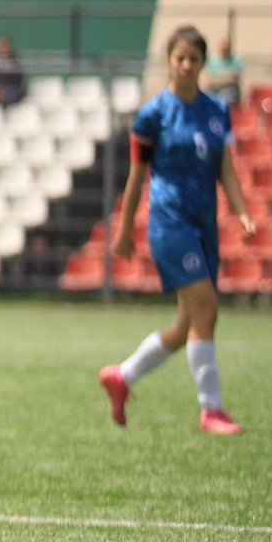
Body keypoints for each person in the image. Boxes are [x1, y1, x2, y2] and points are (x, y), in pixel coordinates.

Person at [99, 26, 256, 436]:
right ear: (168, 60)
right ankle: (212, 410)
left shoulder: (217, 111)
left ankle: (123, 376)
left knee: (189, 323)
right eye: (179, 58)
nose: (187, 65)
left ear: (204, 64)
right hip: (169, 222)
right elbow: (137, 176)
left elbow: (226, 169)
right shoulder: (153, 114)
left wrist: (241, 213)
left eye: (194, 59)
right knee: (207, 309)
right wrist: (125, 229)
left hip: (203, 224)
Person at [203, 36, 244, 108]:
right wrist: (225, 79)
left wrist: (216, 80)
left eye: (227, 44)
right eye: (223, 44)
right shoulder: (211, 61)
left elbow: (233, 80)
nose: (225, 47)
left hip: (229, 94)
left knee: (226, 99)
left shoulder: (236, 61)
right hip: (213, 91)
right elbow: (208, 82)